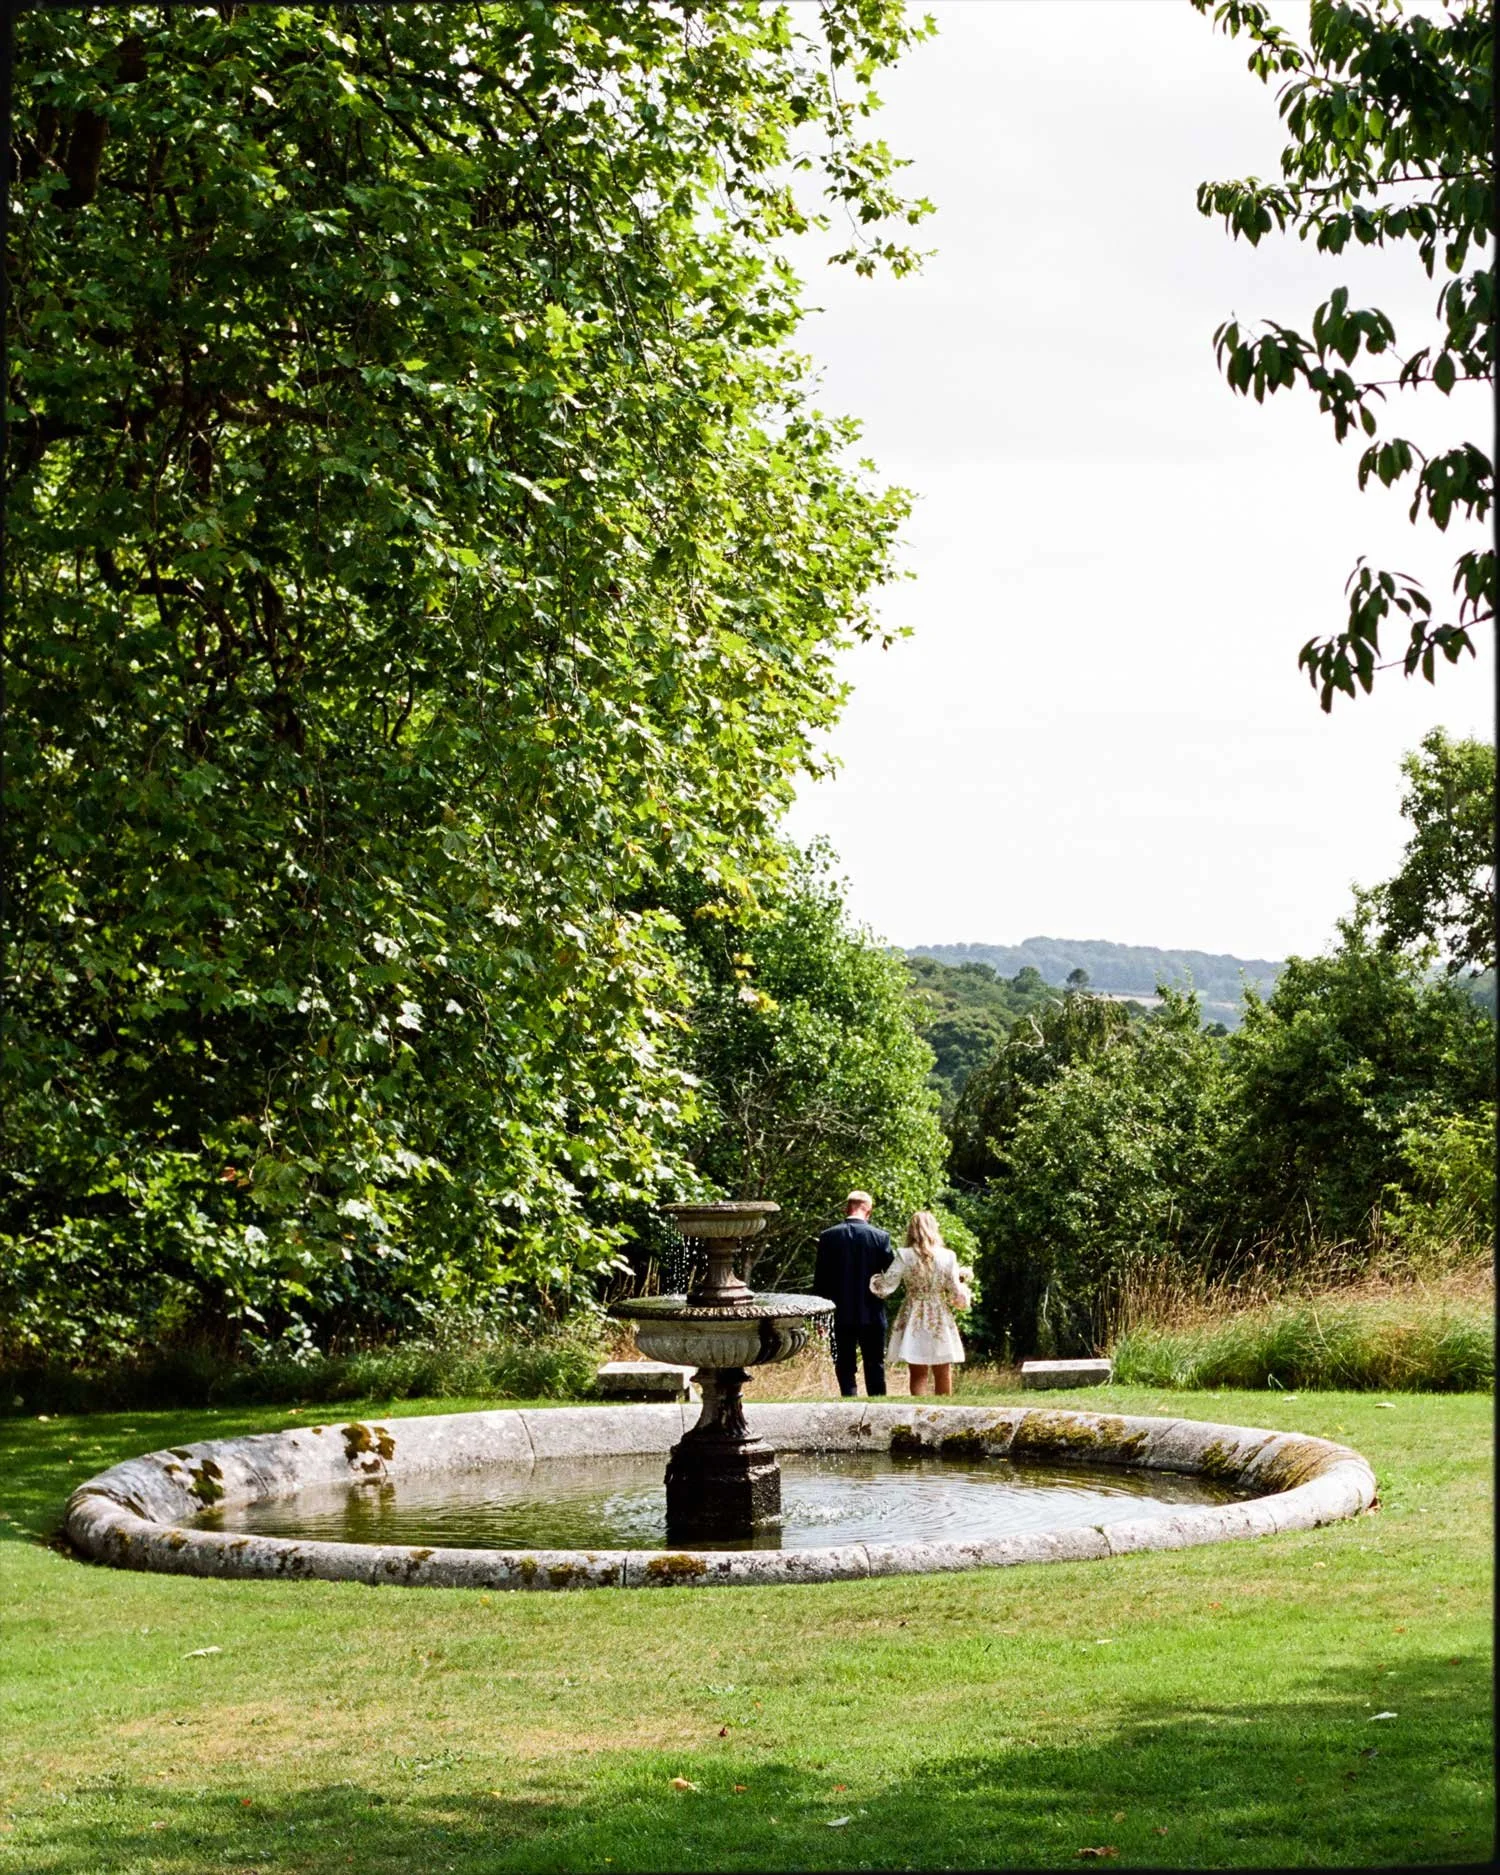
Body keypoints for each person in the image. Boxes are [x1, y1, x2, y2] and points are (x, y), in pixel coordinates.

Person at [870, 1210, 972, 1397]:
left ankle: (918, 1411)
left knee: (918, 1372)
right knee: (943, 1370)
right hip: (939, 1313)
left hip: (913, 1312)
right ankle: (944, 1412)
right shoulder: (948, 1256)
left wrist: (871, 1278)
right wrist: (964, 1289)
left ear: (911, 1230)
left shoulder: (904, 1255)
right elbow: (956, 1291)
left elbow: (886, 1286)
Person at [813, 1190, 895, 1398]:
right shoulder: (880, 1237)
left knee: (843, 1363)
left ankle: (849, 1399)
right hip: (872, 1311)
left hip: (838, 1312)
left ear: (846, 1208)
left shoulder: (828, 1237)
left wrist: (819, 1318)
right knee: (875, 1362)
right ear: (869, 1211)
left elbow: (820, 1279)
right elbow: (891, 1276)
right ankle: (878, 1403)